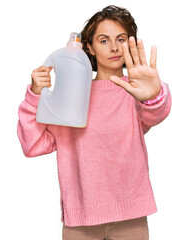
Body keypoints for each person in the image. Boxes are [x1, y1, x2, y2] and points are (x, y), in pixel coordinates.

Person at [17, 5, 172, 240]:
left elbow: (154, 114)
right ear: (88, 47)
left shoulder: (135, 91)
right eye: (103, 40)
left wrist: (153, 95)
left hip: (131, 218)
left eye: (120, 39)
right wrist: (35, 96)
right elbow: (33, 144)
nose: (113, 47)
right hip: (81, 222)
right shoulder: (70, 96)